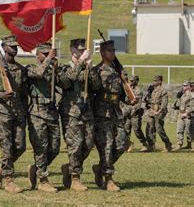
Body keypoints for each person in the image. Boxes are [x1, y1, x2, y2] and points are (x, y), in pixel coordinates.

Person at [0, 35, 27, 194]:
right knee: (6, 147)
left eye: (16, 46)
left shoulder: (20, 69)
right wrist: (1, 95)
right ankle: (8, 180)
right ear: (4, 48)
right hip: (2, 112)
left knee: (20, 146)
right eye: (11, 46)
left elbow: (23, 93)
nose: (14, 49)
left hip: (18, 112)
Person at [58, 38, 101, 192]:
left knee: (88, 144)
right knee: (74, 146)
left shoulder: (86, 68)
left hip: (87, 111)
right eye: (79, 50)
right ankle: (75, 178)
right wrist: (81, 62)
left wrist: (91, 68)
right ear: (72, 50)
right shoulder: (64, 67)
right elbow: (67, 81)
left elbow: (96, 86)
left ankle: (69, 167)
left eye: (84, 50)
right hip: (71, 112)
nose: (82, 52)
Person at [92, 40, 131, 192]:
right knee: (106, 147)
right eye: (109, 50)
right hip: (102, 114)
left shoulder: (118, 72)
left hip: (116, 112)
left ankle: (100, 168)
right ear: (102, 52)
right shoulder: (97, 71)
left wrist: (130, 99)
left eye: (114, 50)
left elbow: (121, 95)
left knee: (122, 144)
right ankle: (108, 179)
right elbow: (93, 90)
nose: (112, 53)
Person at [26, 43, 60, 193]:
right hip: (37, 112)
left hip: (51, 112)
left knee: (54, 147)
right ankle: (43, 180)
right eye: (44, 54)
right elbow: (39, 73)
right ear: (37, 55)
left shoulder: (52, 70)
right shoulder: (30, 68)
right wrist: (48, 61)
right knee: (41, 147)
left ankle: (36, 168)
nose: (47, 56)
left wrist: (56, 67)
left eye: (49, 54)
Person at [145, 75, 172, 152]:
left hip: (160, 111)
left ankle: (168, 144)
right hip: (152, 111)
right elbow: (150, 101)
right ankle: (151, 145)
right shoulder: (153, 90)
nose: (154, 82)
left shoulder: (163, 91)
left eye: (155, 81)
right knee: (150, 127)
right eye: (153, 80)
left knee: (159, 128)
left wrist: (158, 112)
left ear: (160, 81)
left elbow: (164, 103)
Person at [121, 75, 148, 152]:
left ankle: (144, 144)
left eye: (132, 81)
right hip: (128, 113)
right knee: (126, 129)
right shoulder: (128, 90)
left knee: (137, 130)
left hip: (135, 114)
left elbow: (138, 104)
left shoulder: (138, 91)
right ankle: (127, 145)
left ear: (136, 81)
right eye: (130, 80)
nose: (131, 82)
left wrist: (132, 111)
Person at [173, 81, 192, 151]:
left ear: (189, 86)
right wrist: (178, 98)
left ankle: (191, 145)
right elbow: (177, 105)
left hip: (188, 115)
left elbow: (192, 106)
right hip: (181, 114)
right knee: (179, 129)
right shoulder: (182, 95)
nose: (184, 87)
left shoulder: (191, 95)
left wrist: (187, 113)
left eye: (185, 85)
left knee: (189, 131)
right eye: (183, 85)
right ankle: (179, 144)